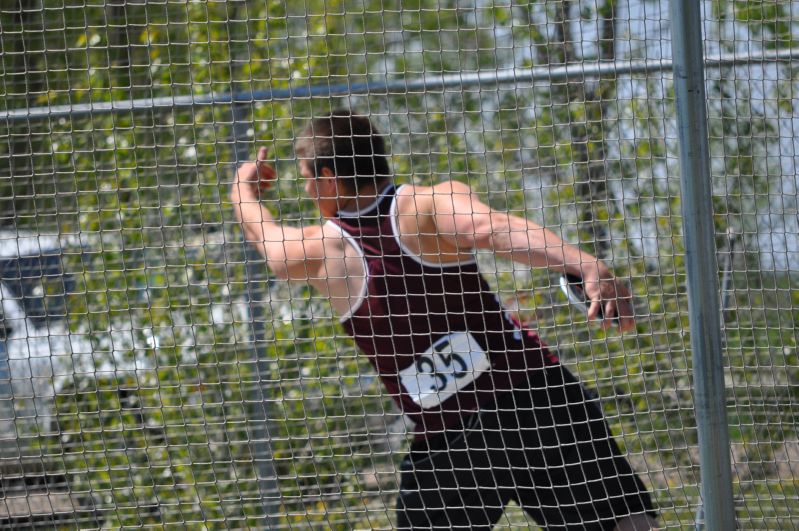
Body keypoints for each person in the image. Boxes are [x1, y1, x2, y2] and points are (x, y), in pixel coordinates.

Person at [231, 109, 658, 530]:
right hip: (531, 398)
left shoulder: (324, 249)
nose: (307, 191)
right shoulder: (430, 202)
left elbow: (267, 240)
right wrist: (585, 265)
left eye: (307, 179)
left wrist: (243, 190)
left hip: (453, 439)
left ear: (327, 177)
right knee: (626, 525)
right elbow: (489, 228)